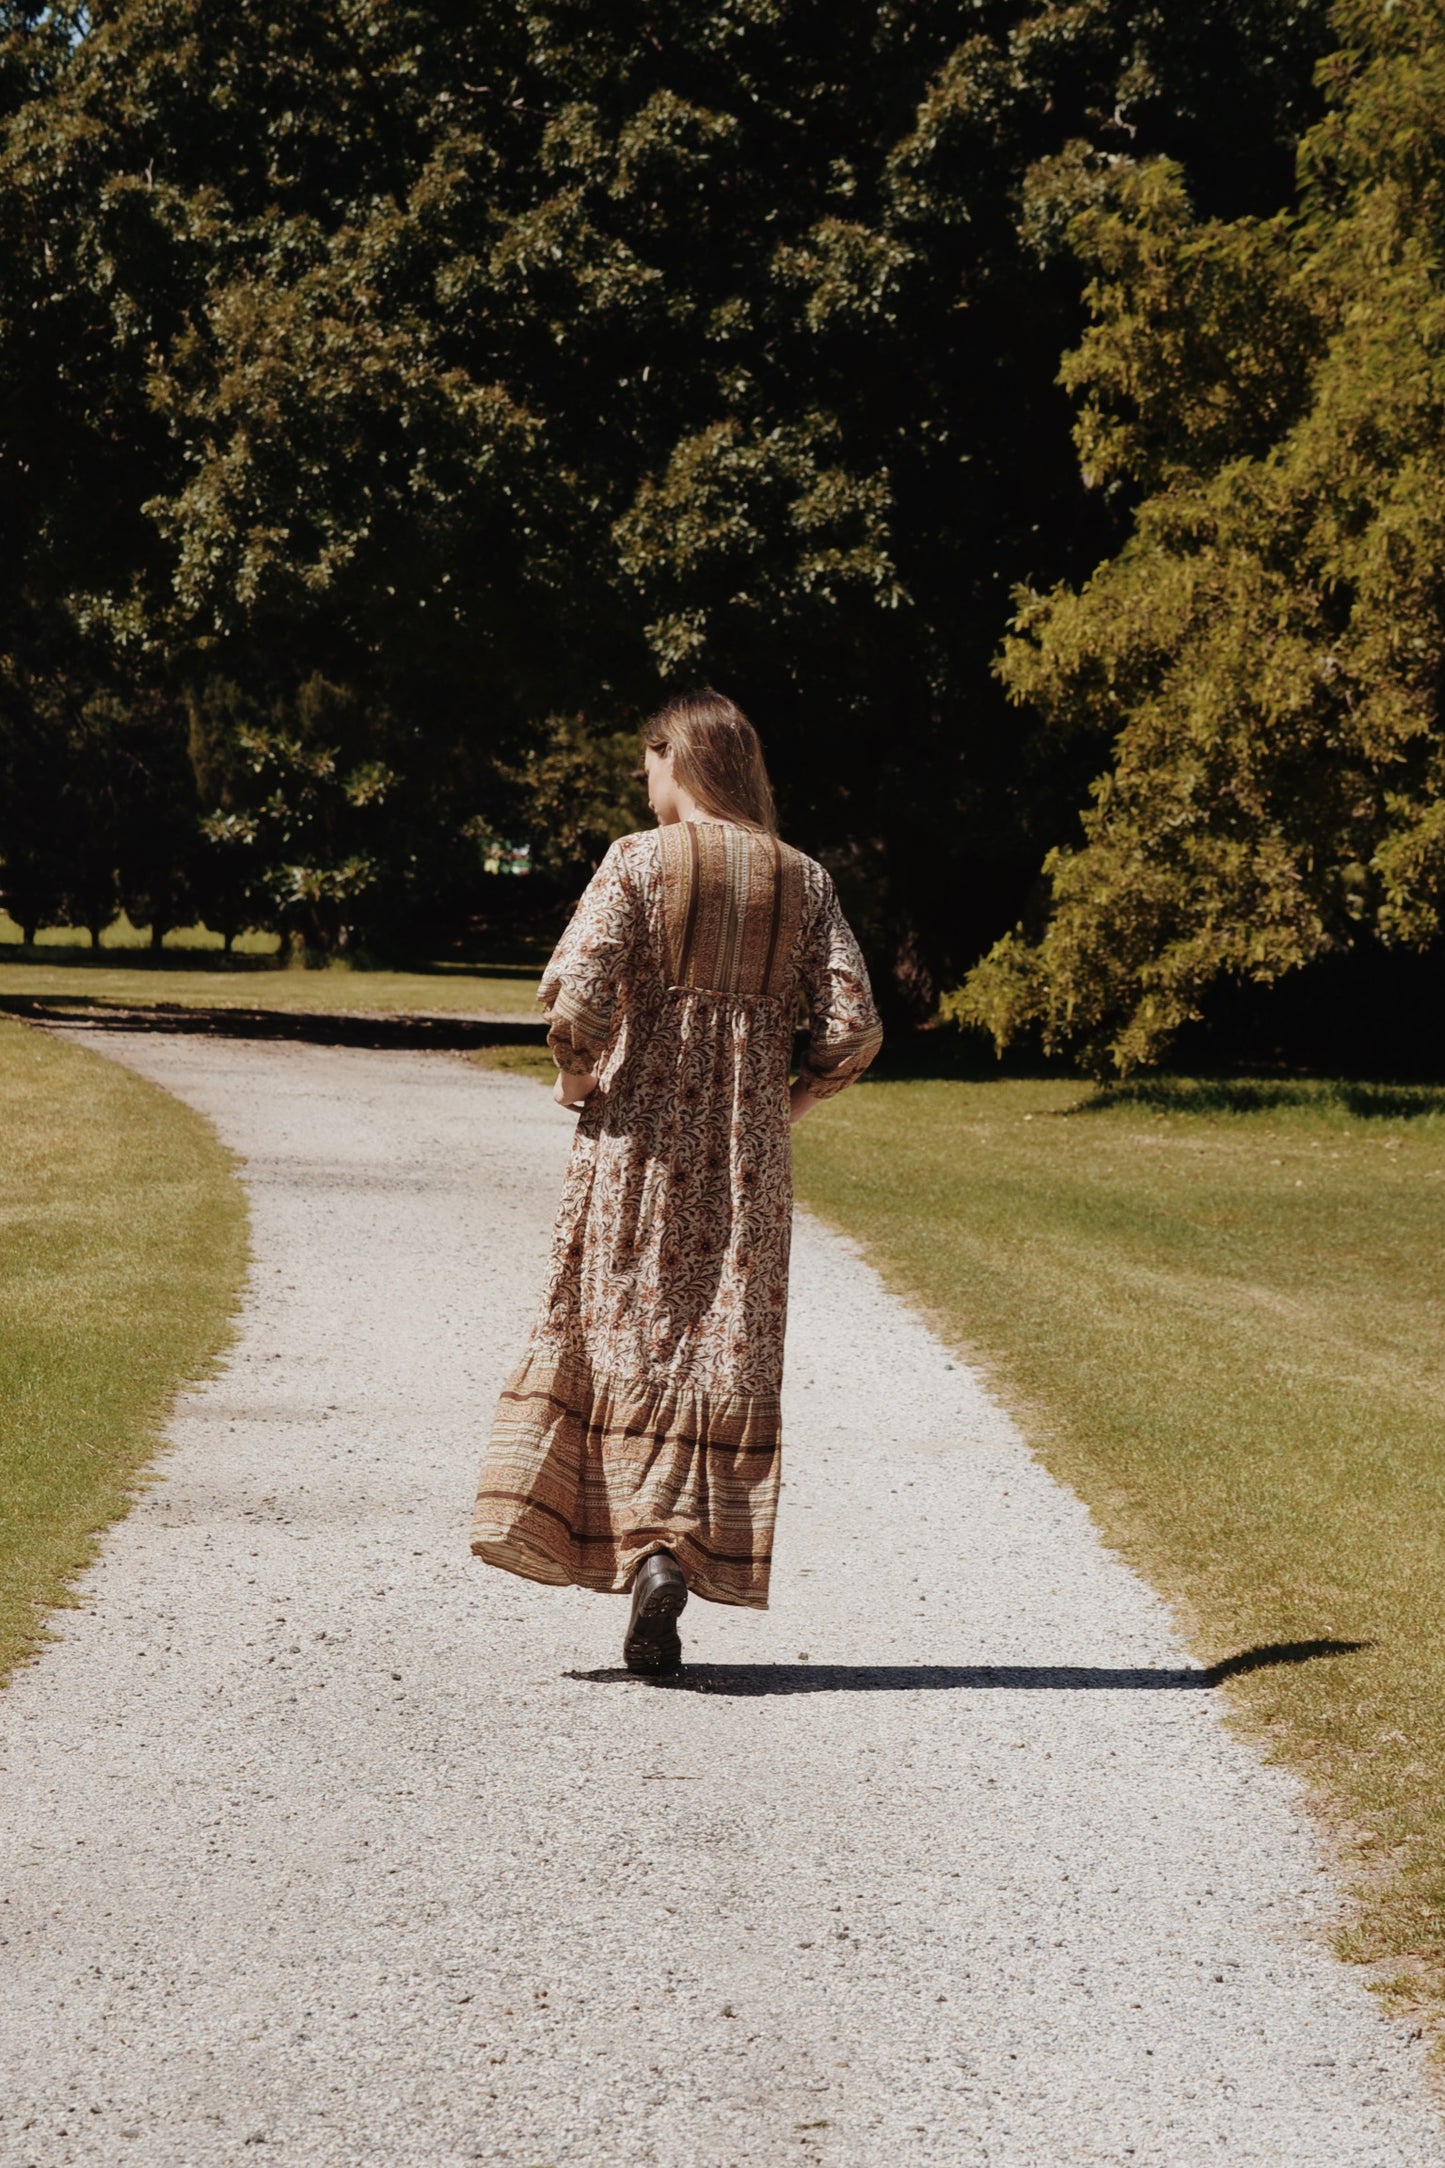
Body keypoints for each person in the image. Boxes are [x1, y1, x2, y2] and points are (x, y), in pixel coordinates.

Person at [469, 689, 882, 1673]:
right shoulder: (802, 880)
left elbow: (578, 991)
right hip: (746, 1169)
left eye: (646, 761)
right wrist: (793, 1102)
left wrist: (574, 1068)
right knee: (711, 1352)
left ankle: (639, 1547)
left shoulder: (635, 861)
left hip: (635, 1156)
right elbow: (854, 1024)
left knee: (622, 1336)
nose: (641, 781)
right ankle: (671, 1551)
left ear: (674, 757)